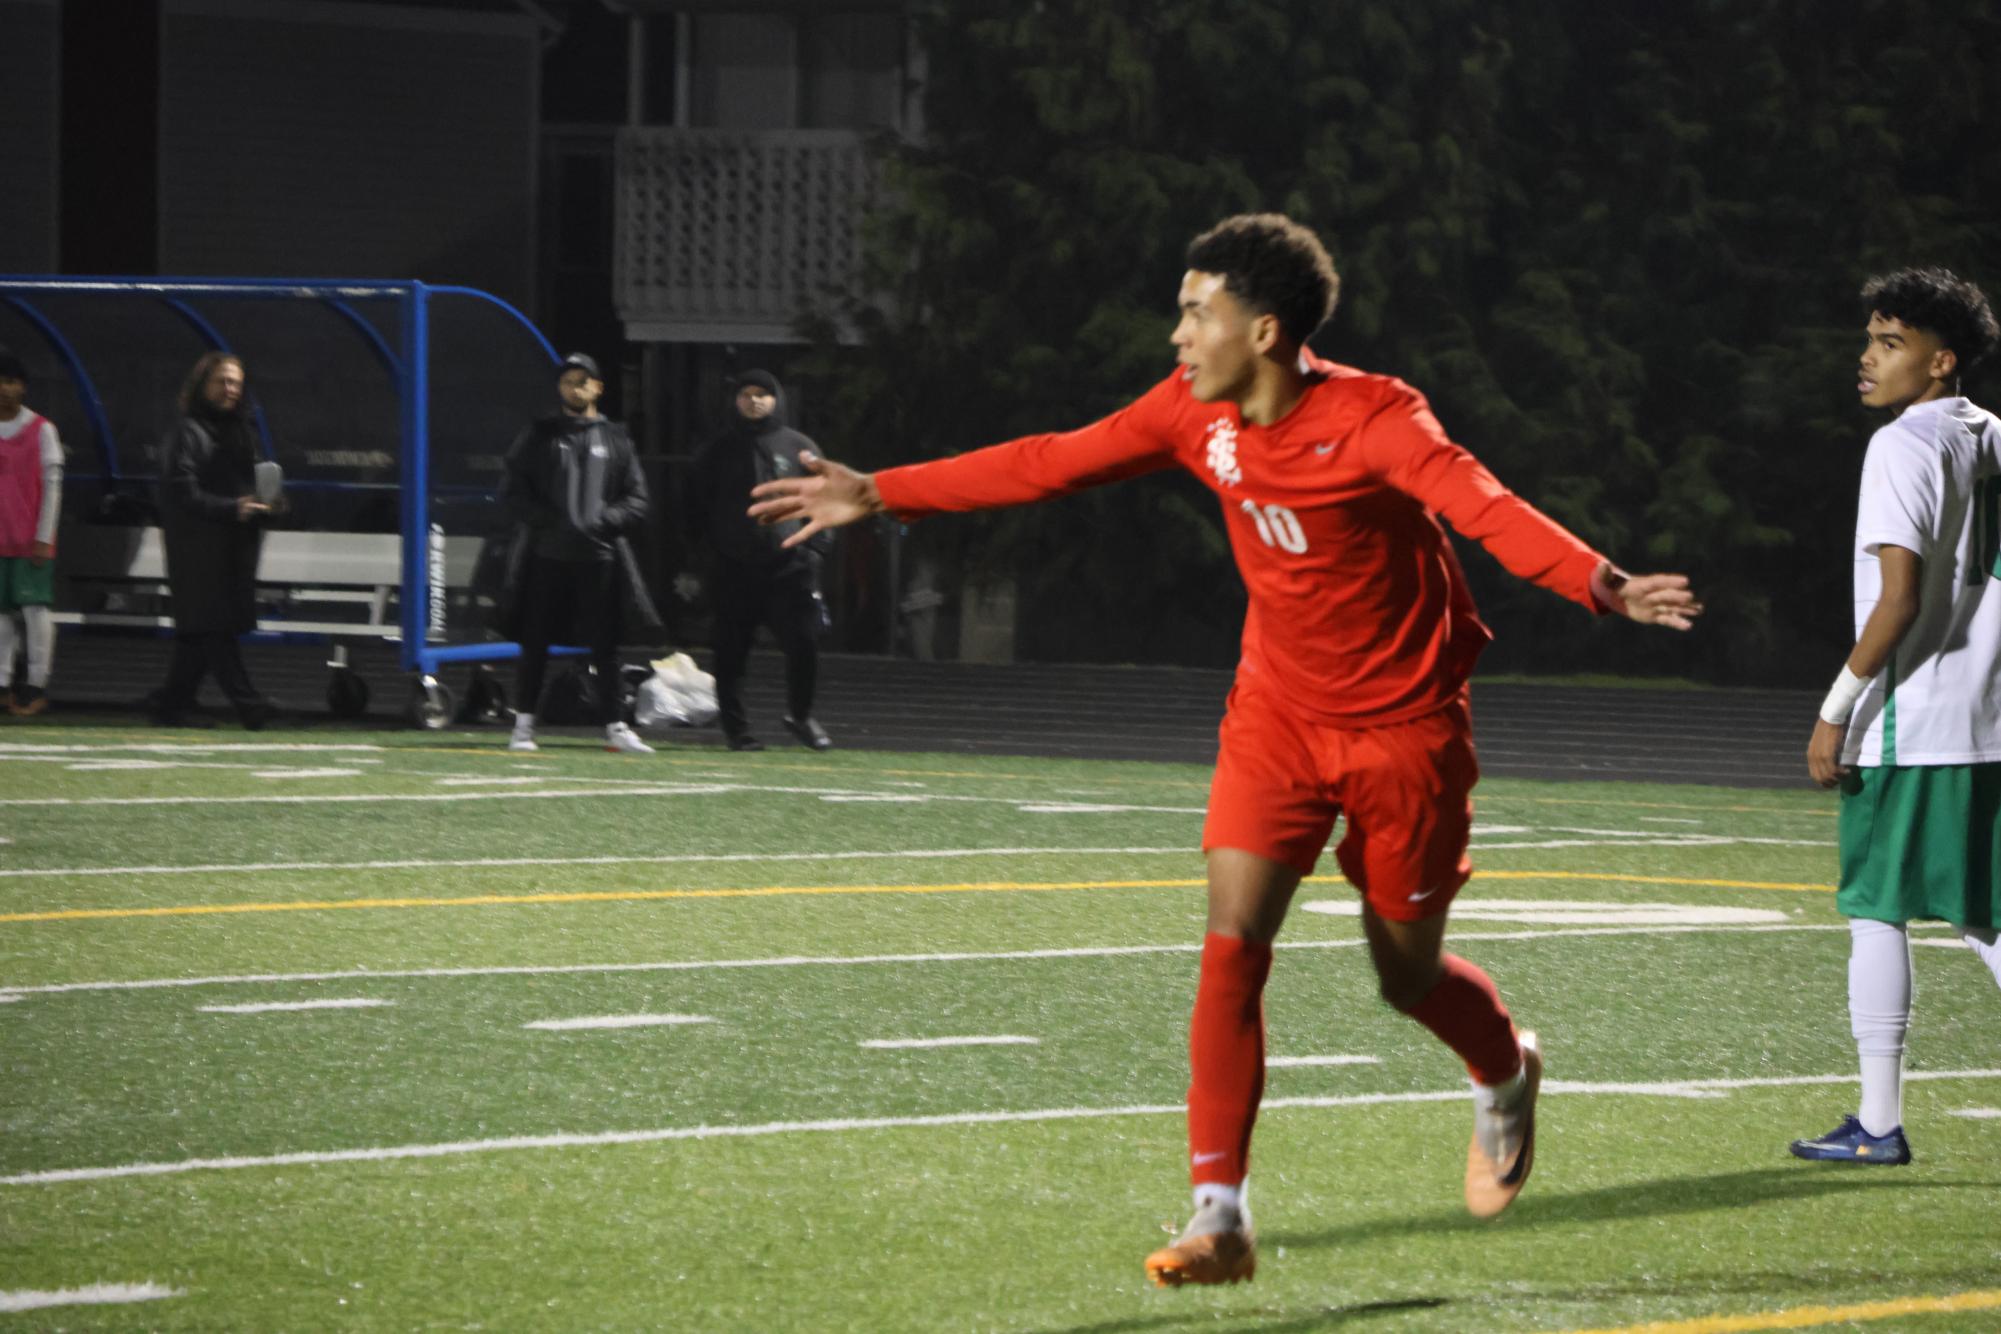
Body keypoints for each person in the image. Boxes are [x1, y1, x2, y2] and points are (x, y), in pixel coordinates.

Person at [750, 213, 1702, 1286]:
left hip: (1405, 736)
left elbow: (1481, 506)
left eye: (1197, 313)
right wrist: (883, 489)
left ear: (1264, 328)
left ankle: (1502, 1063)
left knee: (1405, 972)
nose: (1177, 335)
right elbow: (1050, 461)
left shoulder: (1375, 418)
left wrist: (1601, 583)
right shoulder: (1188, 416)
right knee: (1231, 942)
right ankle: (1221, 1214)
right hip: (1277, 719)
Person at [1792, 266, 2001, 1167]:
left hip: (1910, 718)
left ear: (1939, 359)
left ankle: (1878, 1123)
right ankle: (1875, 1121)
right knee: (1983, 916)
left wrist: (1836, 710)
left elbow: (1898, 598)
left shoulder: (1901, 446)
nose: (1866, 358)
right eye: (1869, 339)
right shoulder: (1987, 433)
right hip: (1985, 716)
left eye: (1889, 343)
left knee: (1875, 908)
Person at [497, 352, 658, 755]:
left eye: (583, 381)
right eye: (568, 381)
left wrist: (604, 521)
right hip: (546, 556)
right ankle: (524, 726)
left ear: (598, 387)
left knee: (605, 647)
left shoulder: (616, 438)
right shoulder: (539, 435)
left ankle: (616, 727)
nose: (575, 388)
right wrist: (547, 522)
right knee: (534, 642)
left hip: (599, 558)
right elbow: (512, 491)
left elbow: (638, 499)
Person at [687, 368, 834, 752]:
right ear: (735, 400)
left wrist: (815, 550)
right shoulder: (716, 450)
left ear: (776, 400)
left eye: (762, 394)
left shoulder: (799, 446)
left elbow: (826, 500)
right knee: (730, 652)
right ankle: (738, 730)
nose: (753, 401)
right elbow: (693, 507)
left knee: (803, 643)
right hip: (734, 568)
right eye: (746, 394)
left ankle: (800, 715)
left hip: (789, 568)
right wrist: (706, 554)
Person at [150, 352, 274, 729]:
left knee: (200, 633)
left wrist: (269, 503)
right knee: (214, 628)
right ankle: (249, 705)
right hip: (197, 549)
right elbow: (179, 491)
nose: (230, 389)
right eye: (221, 381)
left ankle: (171, 706)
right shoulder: (187, 432)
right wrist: (230, 508)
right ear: (202, 385)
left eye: (235, 382)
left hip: (230, 548)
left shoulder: (239, 431)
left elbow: (246, 484)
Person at [0, 345, 62, 716]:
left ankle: (37, 683)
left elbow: (53, 484)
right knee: (2, 613)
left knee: (35, 610)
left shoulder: (42, 430)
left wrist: (44, 535)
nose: (4, 389)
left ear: (22, 387)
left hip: (29, 540)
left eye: (11, 382)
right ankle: (3, 680)